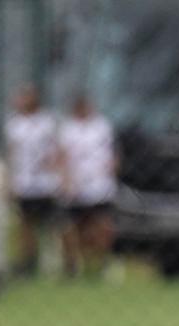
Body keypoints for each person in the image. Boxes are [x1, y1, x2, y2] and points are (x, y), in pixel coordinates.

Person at [58, 94, 118, 279]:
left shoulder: (102, 126)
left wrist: (110, 173)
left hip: (99, 185)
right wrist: (66, 181)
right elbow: (62, 156)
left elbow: (113, 154)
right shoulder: (67, 129)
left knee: (101, 225)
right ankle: (71, 266)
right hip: (76, 186)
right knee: (69, 227)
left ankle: (102, 264)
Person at [3, 85, 60, 277]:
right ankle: (26, 263)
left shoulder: (47, 122)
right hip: (24, 183)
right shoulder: (14, 124)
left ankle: (55, 261)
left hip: (45, 183)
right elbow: (12, 154)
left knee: (53, 224)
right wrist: (9, 181)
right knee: (25, 225)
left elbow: (56, 150)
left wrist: (55, 169)